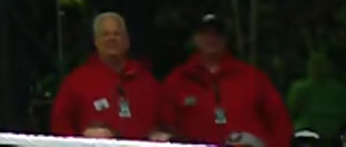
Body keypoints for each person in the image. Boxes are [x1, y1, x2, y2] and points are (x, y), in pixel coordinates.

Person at [162, 14, 292, 147]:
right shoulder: (178, 81)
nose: (212, 39)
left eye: (217, 34)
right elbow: (166, 127)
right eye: (206, 34)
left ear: (225, 39)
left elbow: (280, 122)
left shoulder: (253, 78)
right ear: (195, 38)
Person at [51, 12, 171, 140]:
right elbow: (60, 128)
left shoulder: (148, 82)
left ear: (127, 41)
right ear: (96, 41)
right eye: (106, 34)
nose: (112, 38)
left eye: (116, 34)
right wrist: (83, 138)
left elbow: (168, 124)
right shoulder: (76, 82)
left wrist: (162, 135)